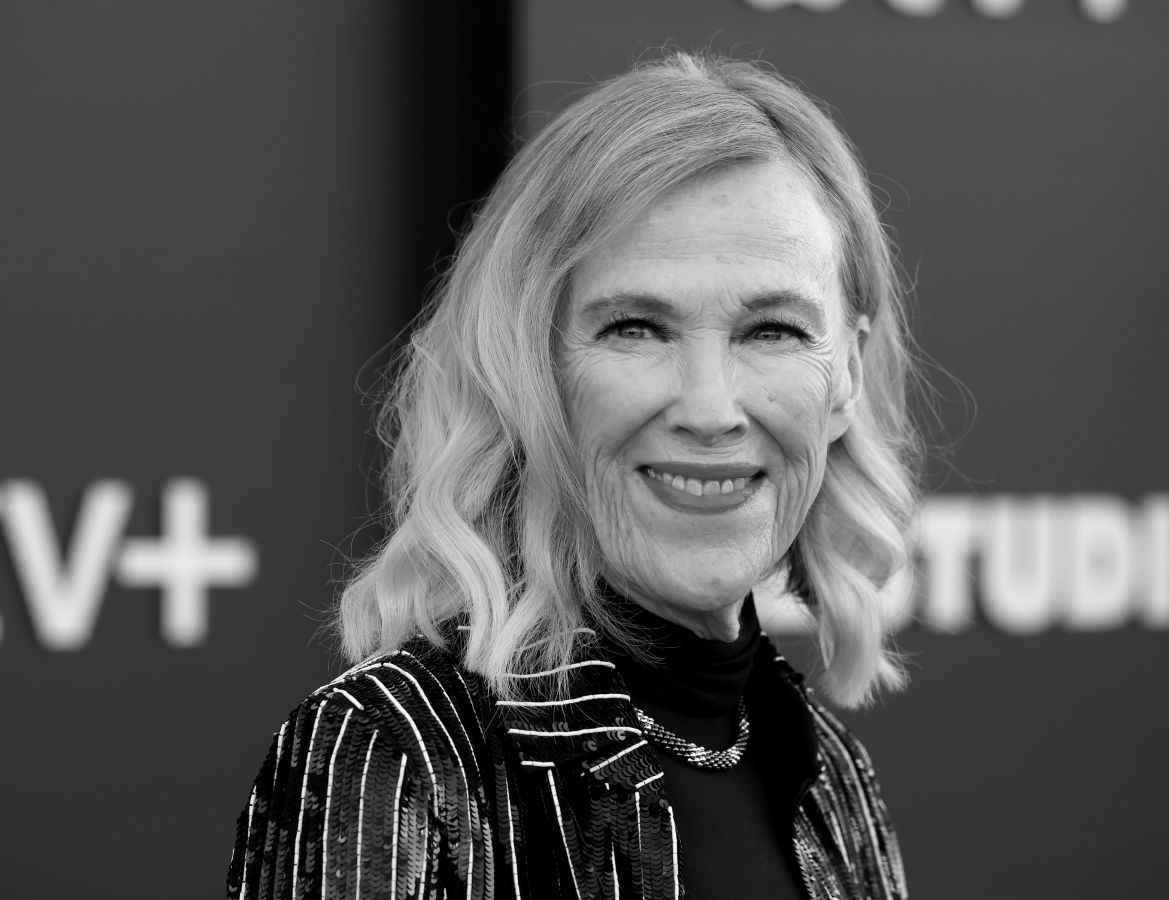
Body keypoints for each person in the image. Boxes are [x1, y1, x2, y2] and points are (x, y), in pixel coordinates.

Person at [228, 51, 920, 900]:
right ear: (531, 369)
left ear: (846, 375)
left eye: (772, 330)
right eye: (635, 328)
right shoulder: (396, 756)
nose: (711, 409)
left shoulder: (830, 775)